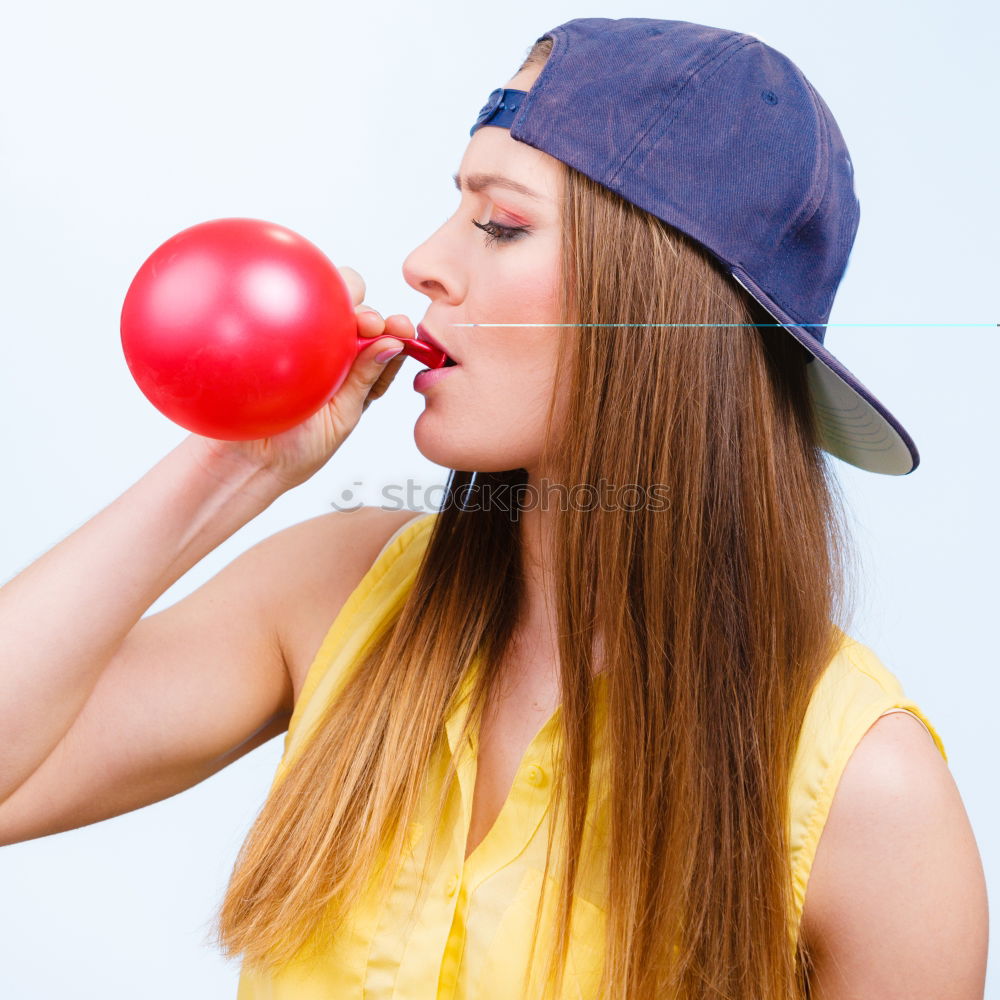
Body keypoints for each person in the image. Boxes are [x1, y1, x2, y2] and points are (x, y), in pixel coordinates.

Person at [0, 16, 987, 1000]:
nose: (423, 261)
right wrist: (232, 472)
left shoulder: (868, 796)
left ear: (658, 310)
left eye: (499, 222)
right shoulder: (333, 590)